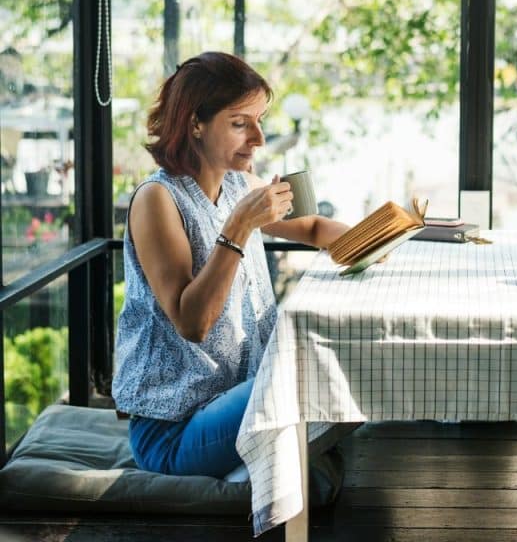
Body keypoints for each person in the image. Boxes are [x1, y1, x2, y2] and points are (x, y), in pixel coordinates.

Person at [112, 52, 350, 479]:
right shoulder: (158, 200)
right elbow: (192, 322)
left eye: (260, 120)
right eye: (240, 123)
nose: (258, 138)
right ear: (195, 124)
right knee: (314, 374)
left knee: (335, 363)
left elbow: (313, 227)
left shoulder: (239, 183)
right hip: (174, 430)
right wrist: (239, 225)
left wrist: (383, 236)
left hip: (236, 397)